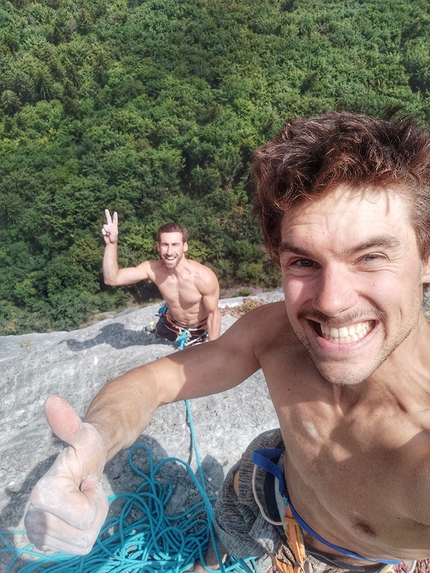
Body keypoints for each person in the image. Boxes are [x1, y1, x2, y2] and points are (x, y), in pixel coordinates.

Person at [24, 111, 430, 573]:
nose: (333, 302)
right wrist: (96, 442)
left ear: (426, 259)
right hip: (266, 481)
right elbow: (154, 382)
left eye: (371, 256)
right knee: (224, 544)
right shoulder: (274, 332)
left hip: (343, 560)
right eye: (302, 262)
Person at [102, 213, 221, 344]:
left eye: (175, 245)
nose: (169, 252)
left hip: (198, 330)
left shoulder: (204, 277)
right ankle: (158, 329)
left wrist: (213, 346)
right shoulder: (153, 269)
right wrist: (111, 244)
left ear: (185, 246)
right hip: (169, 322)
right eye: (165, 245)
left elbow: (213, 313)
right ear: (158, 246)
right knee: (155, 337)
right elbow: (112, 279)